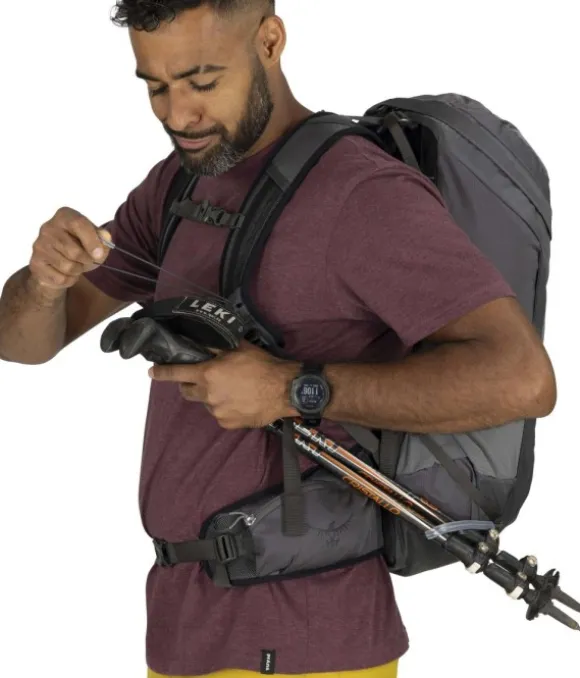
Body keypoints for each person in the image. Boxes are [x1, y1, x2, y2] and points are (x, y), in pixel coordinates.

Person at [0, 1, 557, 677]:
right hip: (183, 630)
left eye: (203, 82)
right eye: (156, 87)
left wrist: (293, 389)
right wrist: (44, 282)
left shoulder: (361, 192)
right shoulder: (178, 184)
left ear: (269, 41)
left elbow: (522, 377)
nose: (179, 114)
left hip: (308, 639)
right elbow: (23, 343)